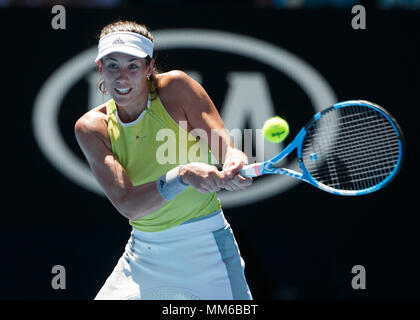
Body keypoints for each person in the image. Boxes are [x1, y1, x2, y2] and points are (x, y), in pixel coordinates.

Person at [74, 20, 253, 300]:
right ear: (100, 68)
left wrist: (233, 160)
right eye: (112, 65)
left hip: (206, 249)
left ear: (149, 67)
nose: (121, 78)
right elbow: (127, 203)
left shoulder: (177, 88)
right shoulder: (91, 127)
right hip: (143, 255)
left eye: (132, 66)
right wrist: (182, 175)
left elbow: (225, 148)